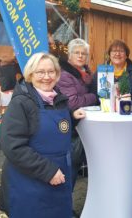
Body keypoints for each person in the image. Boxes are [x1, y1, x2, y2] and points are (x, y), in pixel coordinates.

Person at [0, 52, 86, 218]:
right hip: (30, 184)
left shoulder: (58, 99)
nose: (47, 77)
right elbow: (13, 146)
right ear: (30, 75)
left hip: (58, 180)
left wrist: (72, 118)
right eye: (40, 72)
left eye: (51, 71)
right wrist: (48, 171)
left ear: (57, 74)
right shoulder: (21, 103)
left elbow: (57, 128)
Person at [55, 38, 97, 191]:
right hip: (70, 127)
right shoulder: (65, 75)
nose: (80, 56)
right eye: (77, 53)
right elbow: (73, 103)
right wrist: (94, 96)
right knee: (70, 167)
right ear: (70, 56)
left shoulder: (84, 73)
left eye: (84, 54)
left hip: (80, 126)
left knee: (75, 164)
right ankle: (64, 207)